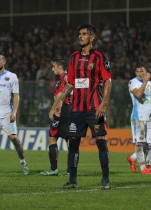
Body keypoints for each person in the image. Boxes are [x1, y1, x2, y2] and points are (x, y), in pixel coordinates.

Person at [55, 24, 112, 189]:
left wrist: (104, 103)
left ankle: (105, 179)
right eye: (79, 34)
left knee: (100, 141)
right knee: (73, 143)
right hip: (76, 109)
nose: (80, 36)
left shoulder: (100, 56)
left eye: (84, 34)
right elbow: (70, 83)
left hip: (94, 108)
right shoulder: (73, 57)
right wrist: (59, 102)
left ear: (92, 37)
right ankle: (72, 180)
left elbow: (107, 80)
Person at [127, 64, 151, 174]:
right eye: (137, 71)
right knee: (139, 143)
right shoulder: (133, 82)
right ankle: (143, 168)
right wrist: (145, 82)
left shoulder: (149, 84)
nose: (140, 73)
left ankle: (132, 158)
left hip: (149, 117)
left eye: (142, 71)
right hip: (138, 117)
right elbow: (138, 94)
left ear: (146, 72)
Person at [40, 58, 72, 176]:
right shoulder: (60, 77)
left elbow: (60, 94)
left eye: (54, 66)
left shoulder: (64, 77)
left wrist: (53, 109)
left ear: (60, 67)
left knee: (52, 138)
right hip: (67, 110)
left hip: (62, 110)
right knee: (69, 139)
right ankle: (70, 170)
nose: (52, 69)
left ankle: (54, 169)